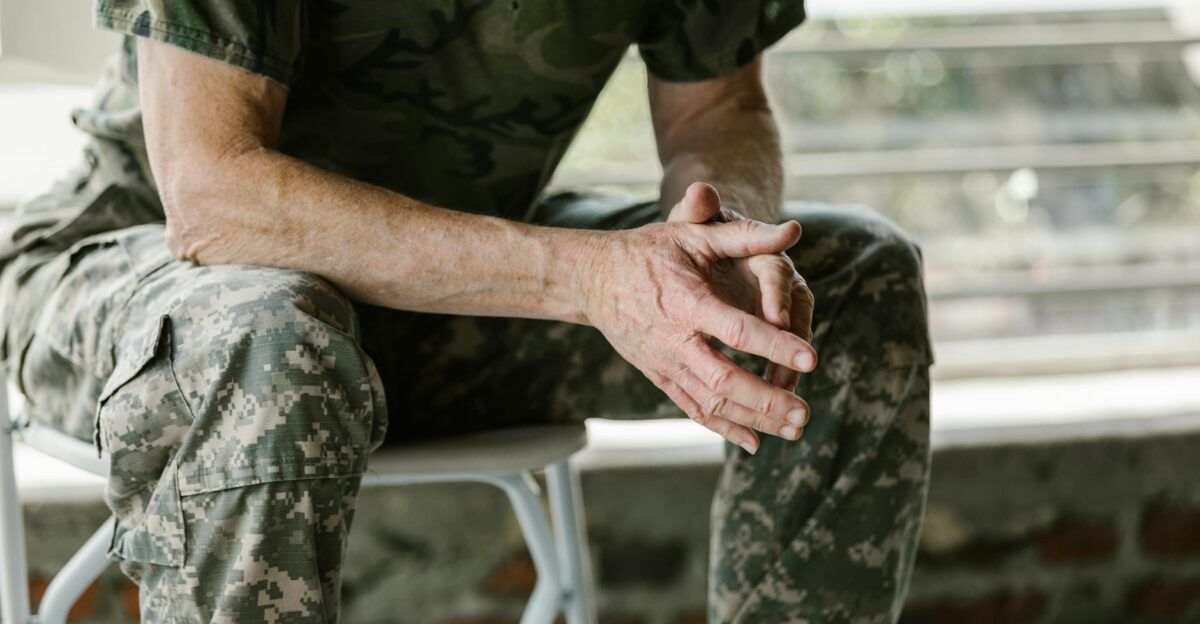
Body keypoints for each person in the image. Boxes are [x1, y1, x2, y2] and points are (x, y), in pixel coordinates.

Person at [0, 1, 933, 622]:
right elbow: (215, 195)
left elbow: (717, 105)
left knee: (853, 281)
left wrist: (720, 230)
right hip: (151, 262)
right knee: (270, 334)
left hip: (456, 281)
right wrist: (591, 281)